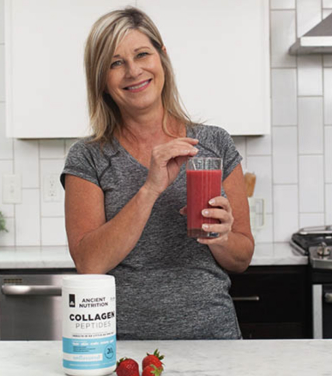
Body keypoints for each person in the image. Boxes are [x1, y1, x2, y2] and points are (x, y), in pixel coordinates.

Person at [60, 6, 254, 340]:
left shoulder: (214, 143)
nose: (133, 71)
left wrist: (221, 238)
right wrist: (150, 189)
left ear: (162, 57)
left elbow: (242, 257)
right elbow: (89, 263)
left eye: (142, 54)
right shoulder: (88, 157)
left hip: (213, 340)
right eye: (115, 63)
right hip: (126, 348)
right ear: (102, 81)